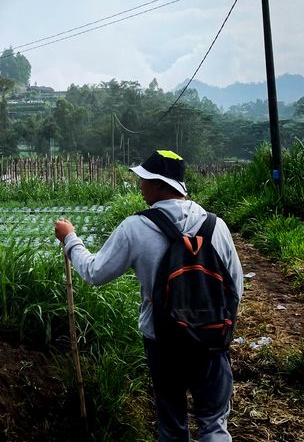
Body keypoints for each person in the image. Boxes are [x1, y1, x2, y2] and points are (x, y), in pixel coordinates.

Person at [54, 149, 243, 442]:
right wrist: (215, 325)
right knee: (214, 424)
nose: (139, 185)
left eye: (142, 179)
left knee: (172, 425)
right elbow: (235, 287)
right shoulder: (215, 226)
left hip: (164, 341)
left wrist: (70, 239)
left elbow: (95, 273)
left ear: (157, 184)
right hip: (212, 341)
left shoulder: (136, 227)